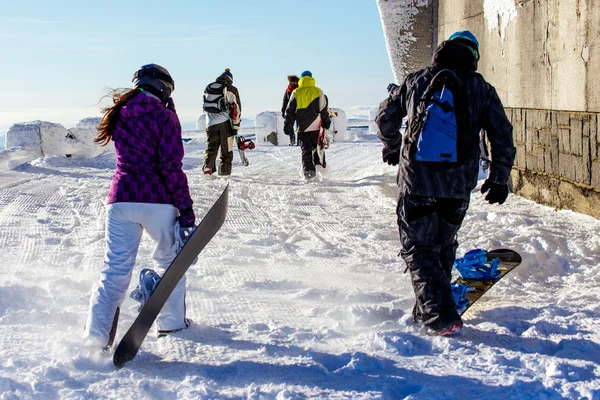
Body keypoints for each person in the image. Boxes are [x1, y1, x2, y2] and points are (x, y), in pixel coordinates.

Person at [375, 30, 516, 336]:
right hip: (457, 186)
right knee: (441, 244)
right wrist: (499, 178)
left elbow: (386, 116)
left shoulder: (416, 81)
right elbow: (502, 134)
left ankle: (439, 315)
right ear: (474, 57)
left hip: (417, 182)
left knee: (418, 248)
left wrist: (391, 145)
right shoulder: (481, 88)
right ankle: (428, 307)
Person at [85, 64, 195, 350]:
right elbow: (171, 167)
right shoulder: (164, 117)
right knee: (170, 262)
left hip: (121, 200)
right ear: (165, 87)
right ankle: (171, 324)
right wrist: (186, 210)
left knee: (114, 271)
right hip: (158, 201)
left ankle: (96, 338)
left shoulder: (118, 113)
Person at [284, 70, 331, 179]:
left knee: (306, 150)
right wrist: (326, 122)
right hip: (316, 125)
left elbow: (289, 111)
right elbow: (323, 109)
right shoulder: (318, 91)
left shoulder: (296, 92)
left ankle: (309, 173)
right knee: (318, 147)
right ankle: (320, 167)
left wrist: (287, 125)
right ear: (311, 78)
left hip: (302, 127)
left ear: (301, 79)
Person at [202, 68, 242, 176]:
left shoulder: (209, 87)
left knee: (212, 147)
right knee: (226, 151)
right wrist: (236, 126)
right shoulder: (231, 89)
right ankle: (224, 174)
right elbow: (236, 109)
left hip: (210, 124)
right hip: (225, 124)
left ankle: (208, 166)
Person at [281, 75, 299, 145]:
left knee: (299, 126)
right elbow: (285, 100)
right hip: (290, 110)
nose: (292, 84)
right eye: (291, 83)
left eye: (294, 83)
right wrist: (283, 110)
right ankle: (292, 140)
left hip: (298, 110)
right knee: (289, 126)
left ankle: (299, 141)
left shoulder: (299, 90)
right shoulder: (288, 90)